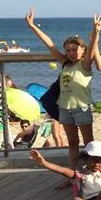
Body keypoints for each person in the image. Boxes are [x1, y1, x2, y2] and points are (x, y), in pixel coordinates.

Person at [26, 10, 97, 174]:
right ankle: (73, 172)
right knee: (72, 142)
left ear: (82, 50)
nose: (71, 53)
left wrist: (96, 32)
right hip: (64, 108)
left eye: (75, 49)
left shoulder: (85, 65)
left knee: (89, 143)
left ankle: (93, 172)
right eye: (68, 50)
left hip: (82, 108)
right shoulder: (65, 64)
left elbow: (92, 47)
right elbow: (50, 44)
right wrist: (32, 26)